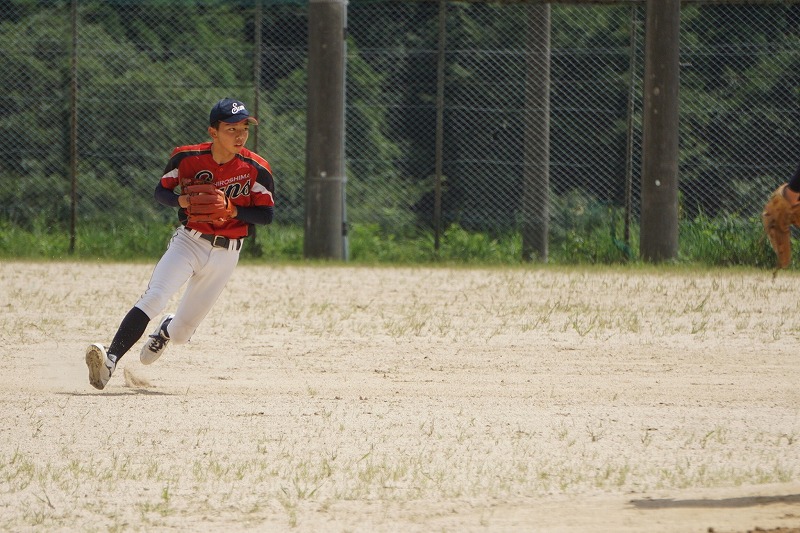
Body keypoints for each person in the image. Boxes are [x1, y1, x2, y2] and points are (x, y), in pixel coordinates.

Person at [85, 97, 275, 390]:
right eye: (231, 129)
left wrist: (233, 210)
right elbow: (161, 191)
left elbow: (266, 215)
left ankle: (165, 331)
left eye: (244, 128)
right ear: (213, 132)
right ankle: (109, 362)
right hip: (190, 241)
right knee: (155, 296)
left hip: (228, 253)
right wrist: (180, 200)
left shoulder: (256, 168)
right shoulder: (186, 158)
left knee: (183, 333)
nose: (240, 135)